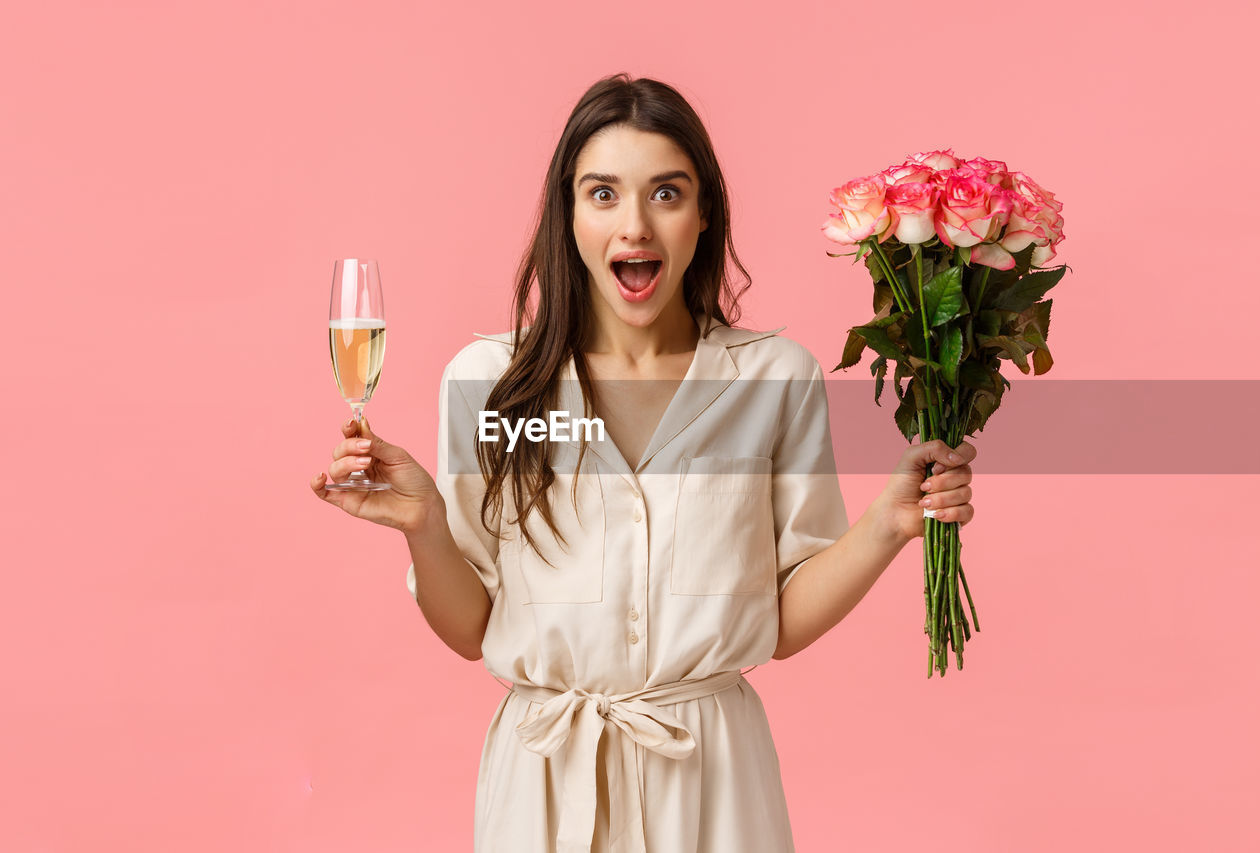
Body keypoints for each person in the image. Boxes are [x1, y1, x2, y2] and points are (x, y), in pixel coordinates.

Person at [310, 73, 977, 853]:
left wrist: (890, 524)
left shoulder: (773, 380)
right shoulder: (489, 383)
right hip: (545, 786)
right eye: (602, 194)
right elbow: (471, 627)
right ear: (568, 215)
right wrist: (424, 523)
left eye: (666, 193)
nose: (635, 226)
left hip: (716, 785)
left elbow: (780, 619)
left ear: (703, 217)